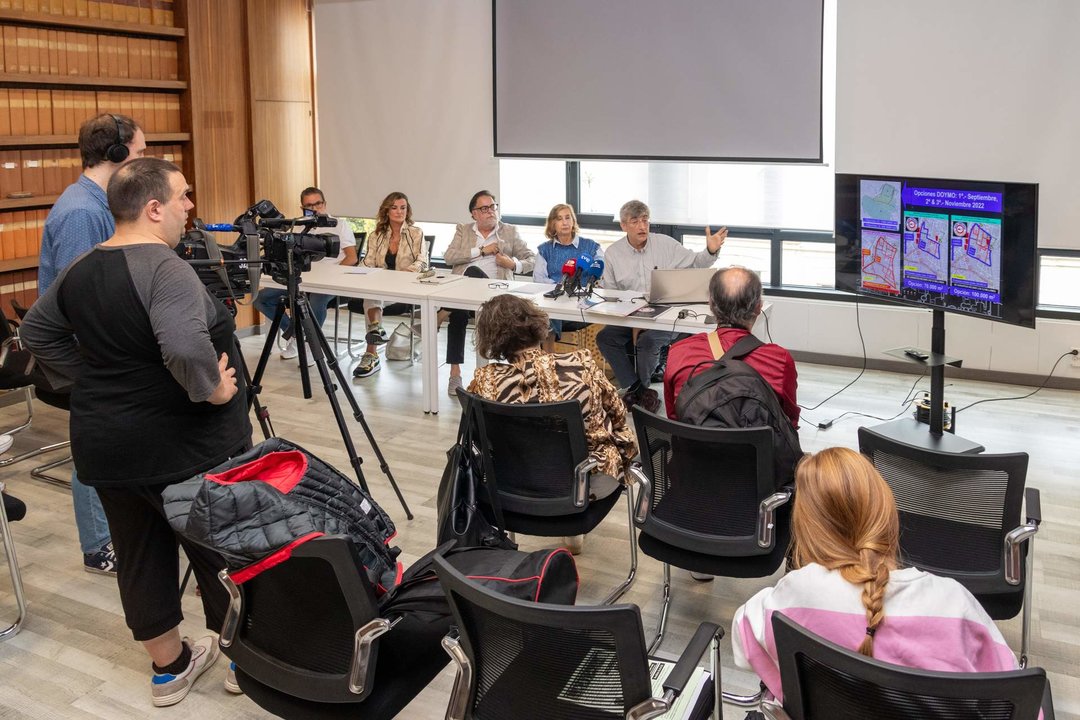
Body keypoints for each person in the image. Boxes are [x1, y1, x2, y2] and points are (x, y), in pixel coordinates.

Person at [21, 158, 253, 706]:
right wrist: (215, 391)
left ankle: (169, 669)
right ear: (153, 208)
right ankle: (245, 661)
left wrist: (98, 380)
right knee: (220, 555)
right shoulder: (165, 267)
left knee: (139, 553)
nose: (189, 207)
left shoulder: (80, 268)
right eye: (182, 197)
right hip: (185, 448)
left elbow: (35, 331)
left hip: (108, 447)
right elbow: (184, 346)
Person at [731, 447, 1020, 704]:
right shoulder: (953, 603)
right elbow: (1018, 699)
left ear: (806, 528)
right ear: (886, 512)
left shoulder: (791, 596)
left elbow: (743, 641)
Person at [36, 112, 147, 576]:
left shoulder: (98, 203)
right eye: (140, 153)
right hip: (90, 352)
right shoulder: (83, 213)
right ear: (117, 155)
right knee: (94, 443)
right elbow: (82, 298)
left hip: (102, 349)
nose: (143, 161)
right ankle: (100, 543)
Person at [467, 294, 637, 555]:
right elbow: (618, 413)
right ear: (537, 324)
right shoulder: (580, 363)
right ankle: (572, 528)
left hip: (513, 486)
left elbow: (478, 436)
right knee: (595, 446)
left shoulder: (484, 381)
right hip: (587, 486)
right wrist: (626, 456)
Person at [596, 199, 727, 413]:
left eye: (645, 220)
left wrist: (710, 251)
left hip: (664, 313)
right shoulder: (613, 253)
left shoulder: (665, 244)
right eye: (635, 221)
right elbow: (611, 294)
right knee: (605, 338)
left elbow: (696, 263)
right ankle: (640, 391)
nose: (642, 226)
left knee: (648, 342)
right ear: (623, 226)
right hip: (630, 314)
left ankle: (639, 391)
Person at [663, 266, 799, 427]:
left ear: (711, 304)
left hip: (692, 449)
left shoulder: (680, 351)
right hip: (756, 451)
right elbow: (789, 422)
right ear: (758, 307)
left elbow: (674, 418)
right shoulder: (779, 360)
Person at [442, 190, 535, 396]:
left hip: (496, 293)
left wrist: (512, 264)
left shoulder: (509, 231)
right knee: (459, 309)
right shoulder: (464, 230)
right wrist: (481, 251)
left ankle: (441, 313)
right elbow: (449, 257)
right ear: (473, 213)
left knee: (469, 278)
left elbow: (531, 259)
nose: (490, 211)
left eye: (493, 206)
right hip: (463, 294)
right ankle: (455, 374)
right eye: (484, 208)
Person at [252, 186, 357, 365]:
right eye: (309, 205)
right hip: (302, 278)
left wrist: (332, 273)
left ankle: (310, 343)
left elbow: (352, 258)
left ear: (324, 203)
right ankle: (296, 335)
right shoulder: (300, 227)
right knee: (261, 298)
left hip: (330, 281)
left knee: (315, 300)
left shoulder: (339, 225)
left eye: (318, 204)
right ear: (302, 208)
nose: (315, 208)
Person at [353, 191, 427, 378]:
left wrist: (408, 272)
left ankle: (372, 351)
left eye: (403, 207)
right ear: (386, 210)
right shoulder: (376, 235)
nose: (399, 211)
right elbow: (368, 262)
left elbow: (422, 261)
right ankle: (375, 337)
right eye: (394, 207)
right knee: (372, 293)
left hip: (406, 288)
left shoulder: (415, 233)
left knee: (372, 296)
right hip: (382, 288)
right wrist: (357, 272)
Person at [533, 203, 602, 344]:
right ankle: (548, 359)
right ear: (552, 224)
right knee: (548, 313)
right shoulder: (544, 250)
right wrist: (561, 289)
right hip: (555, 302)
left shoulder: (591, 246)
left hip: (580, 305)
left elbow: (602, 270)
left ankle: (547, 361)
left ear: (573, 221)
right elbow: (538, 279)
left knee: (547, 316)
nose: (564, 222)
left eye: (567, 217)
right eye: (559, 219)